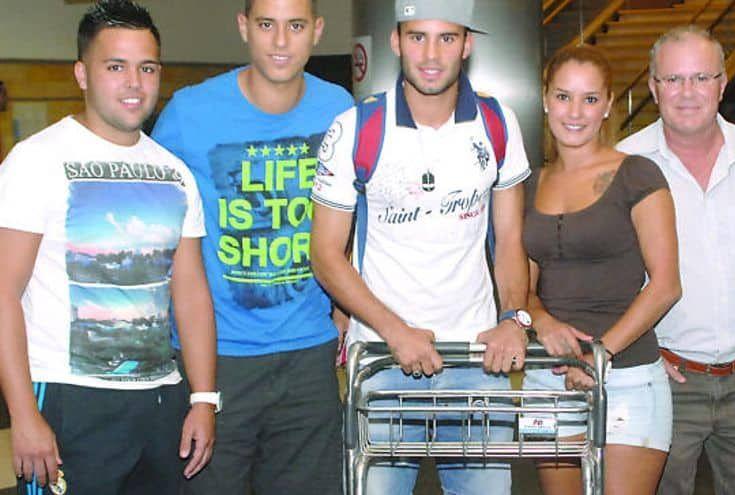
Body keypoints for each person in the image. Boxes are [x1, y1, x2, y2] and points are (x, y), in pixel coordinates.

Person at [310, 0, 532, 492]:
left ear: (467, 45)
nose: (431, 54)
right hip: (384, 366)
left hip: (478, 362)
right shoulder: (355, 129)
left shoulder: (498, 123)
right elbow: (325, 255)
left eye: (447, 38)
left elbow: (511, 240)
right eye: (418, 37)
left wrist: (513, 320)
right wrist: (396, 332)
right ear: (396, 42)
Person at [0, 1, 217, 494]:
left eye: (147, 67)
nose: (134, 82)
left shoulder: (175, 172)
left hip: (162, 402)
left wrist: (203, 396)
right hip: (69, 400)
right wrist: (24, 416)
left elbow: (190, 292)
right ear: (82, 74)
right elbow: (2, 293)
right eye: (115, 66)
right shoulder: (36, 162)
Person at [150, 0, 353, 493]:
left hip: (308, 354)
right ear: (244, 27)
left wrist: (345, 311)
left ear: (317, 32)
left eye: (295, 26)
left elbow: (356, 216)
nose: (281, 42)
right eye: (267, 25)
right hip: (215, 358)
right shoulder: (189, 113)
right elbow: (152, 224)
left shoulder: (341, 110)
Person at [615, 25, 735, 495]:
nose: (687, 93)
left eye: (701, 78)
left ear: (723, 84)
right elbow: (605, 273)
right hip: (663, 381)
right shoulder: (625, 166)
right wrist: (637, 351)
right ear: (652, 87)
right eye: (673, 80)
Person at [522, 44, 681, 495]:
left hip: (626, 377)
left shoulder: (637, 174)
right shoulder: (531, 183)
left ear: (608, 104)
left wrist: (598, 356)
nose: (575, 112)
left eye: (590, 99)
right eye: (563, 96)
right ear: (546, 99)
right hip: (548, 377)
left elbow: (666, 284)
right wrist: (543, 319)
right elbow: (524, 289)